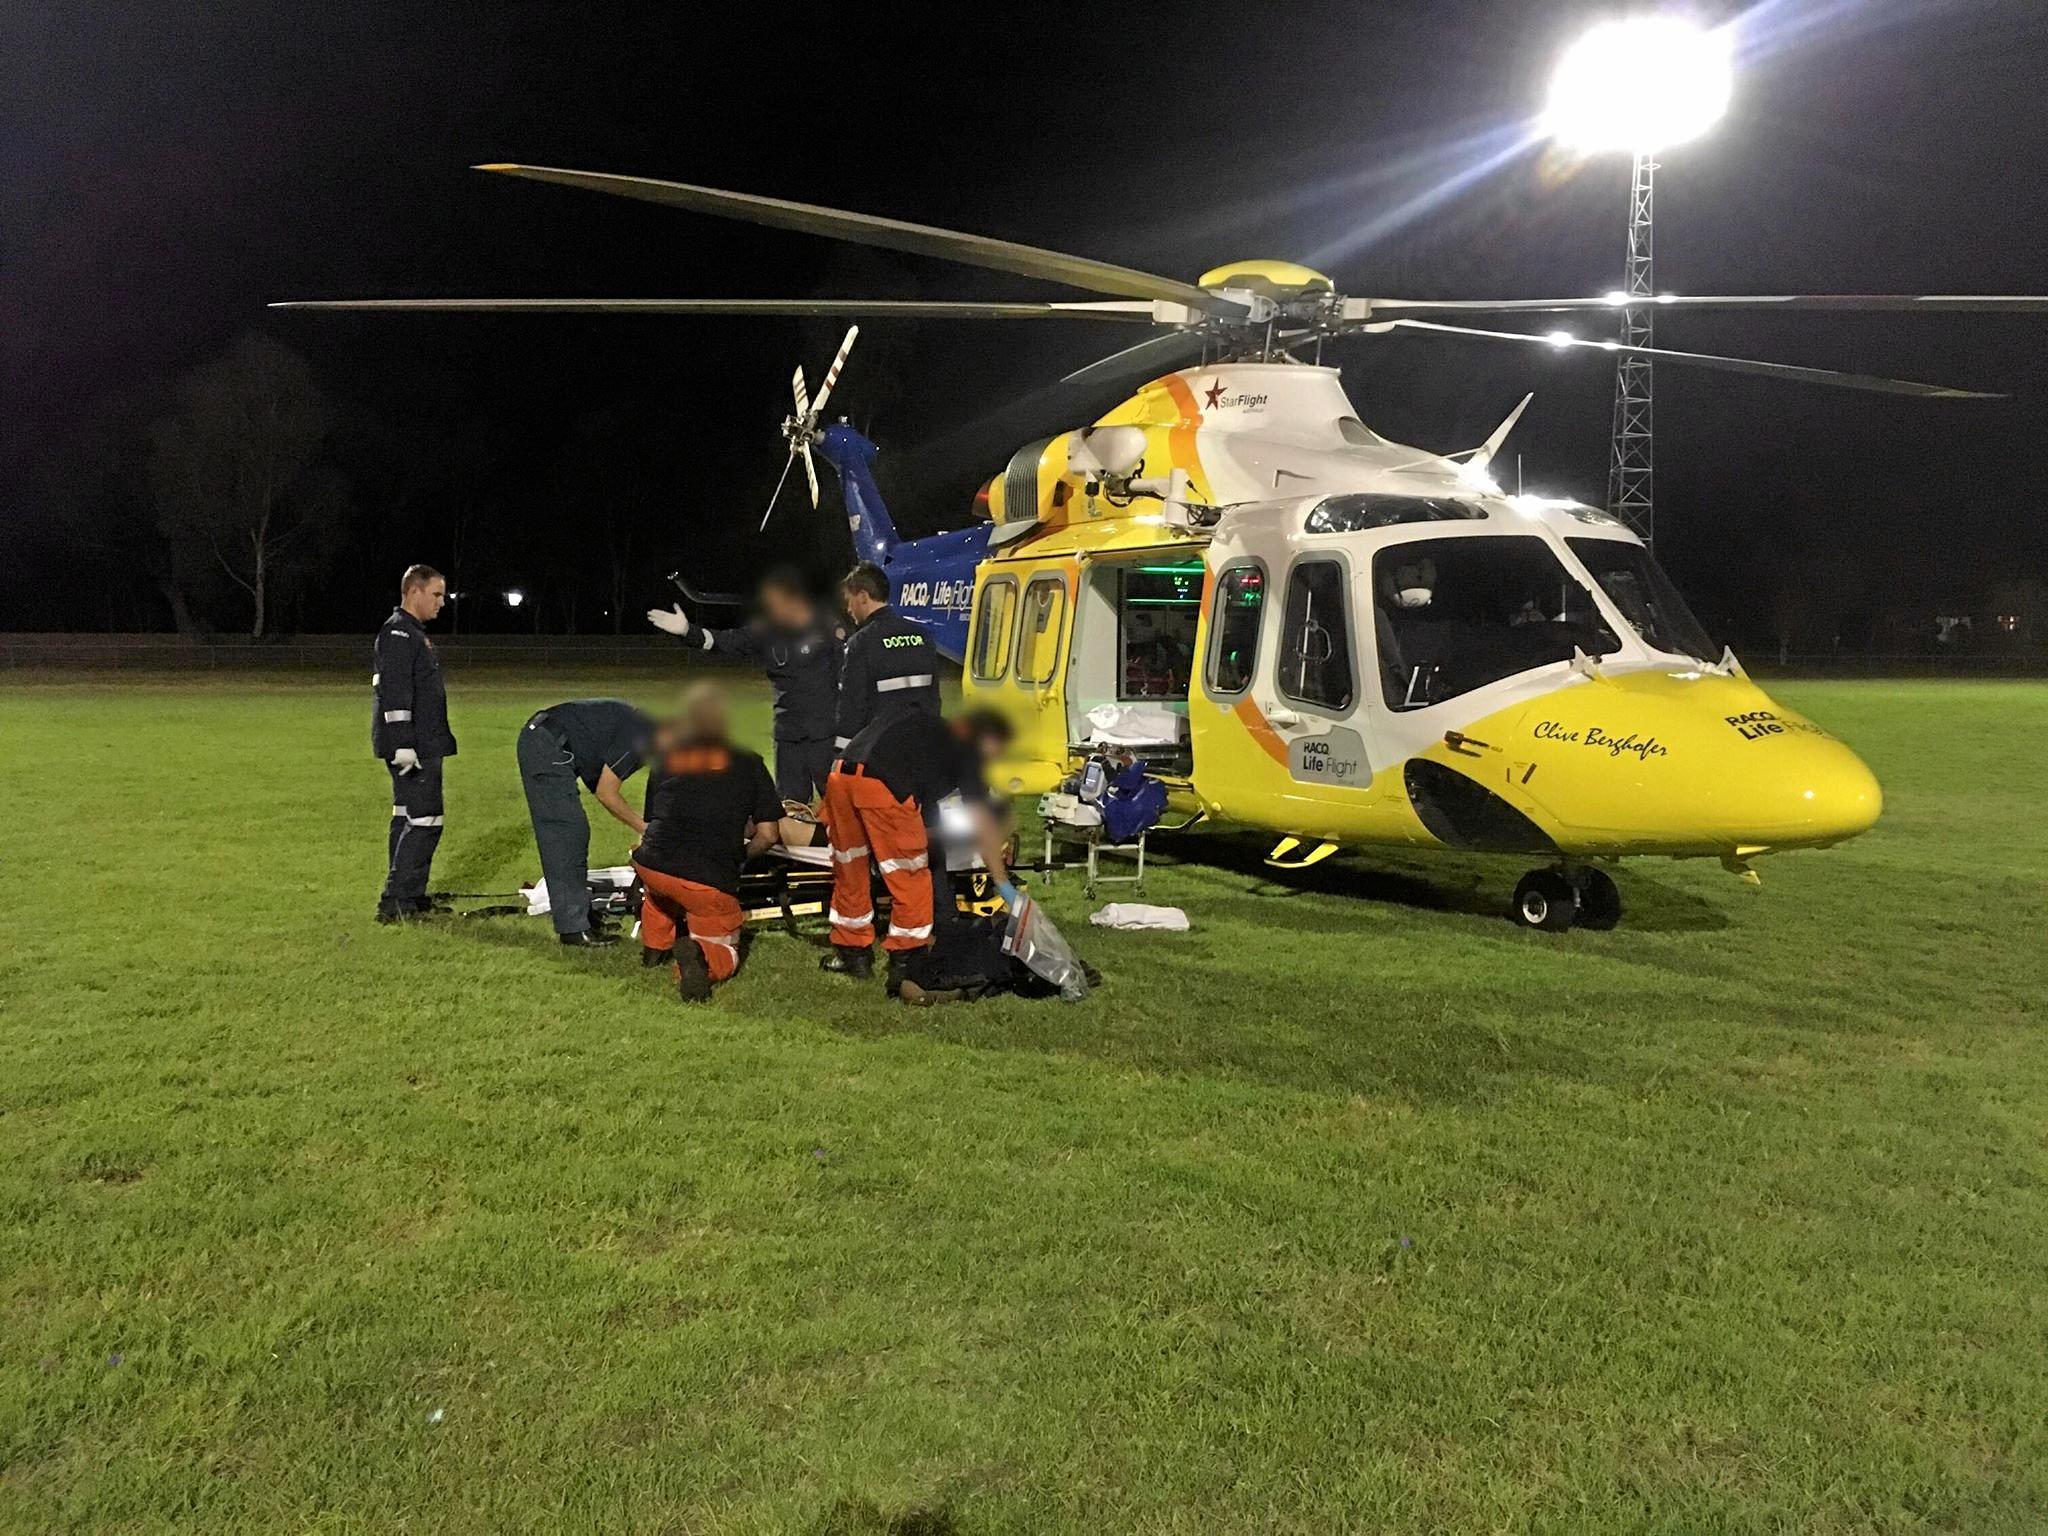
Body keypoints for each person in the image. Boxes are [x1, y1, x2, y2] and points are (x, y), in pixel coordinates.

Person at [821, 705, 1016, 987]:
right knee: (910, 876)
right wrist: (1002, 882)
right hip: (884, 784)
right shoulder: (967, 749)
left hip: (841, 774)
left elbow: (924, 816)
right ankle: (907, 960)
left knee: (851, 868)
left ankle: (852, 954)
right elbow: (983, 823)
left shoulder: (927, 732)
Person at [631, 683, 784, 1001]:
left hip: (651, 865)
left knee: (662, 896)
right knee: (723, 944)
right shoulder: (751, 763)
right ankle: (700, 956)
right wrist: (739, 858)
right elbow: (769, 835)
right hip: (705, 878)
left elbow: (653, 822)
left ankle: (654, 950)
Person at [646, 567, 843, 803]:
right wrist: (688, 631)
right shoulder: (767, 632)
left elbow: (849, 675)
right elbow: (724, 641)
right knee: (792, 808)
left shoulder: (828, 628)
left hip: (825, 734)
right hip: (788, 735)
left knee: (839, 803)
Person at [516, 697, 653, 947]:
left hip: (549, 738)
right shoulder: (641, 737)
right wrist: (644, 828)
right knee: (566, 833)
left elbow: (598, 777)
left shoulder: (637, 726)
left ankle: (583, 916)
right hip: (547, 744)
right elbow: (606, 792)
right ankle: (573, 929)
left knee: (574, 832)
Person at [373, 565, 456, 923]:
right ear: (413, 592)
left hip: (422, 742)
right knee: (426, 820)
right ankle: (397, 901)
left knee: (408, 817)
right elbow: (395, 693)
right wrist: (404, 744)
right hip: (416, 747)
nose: (441, 603)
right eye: (436, 595)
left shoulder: (411, 632)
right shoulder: (399, 635)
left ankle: (409, 895)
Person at [833, 561, 939, 754]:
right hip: (921, 747)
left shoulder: (861, 643)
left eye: (849, 600)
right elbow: (933, 699)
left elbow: (853, 710)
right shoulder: (923, 636)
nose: (848, 609)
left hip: (881, 753)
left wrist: (840, 756)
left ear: (863, 597)